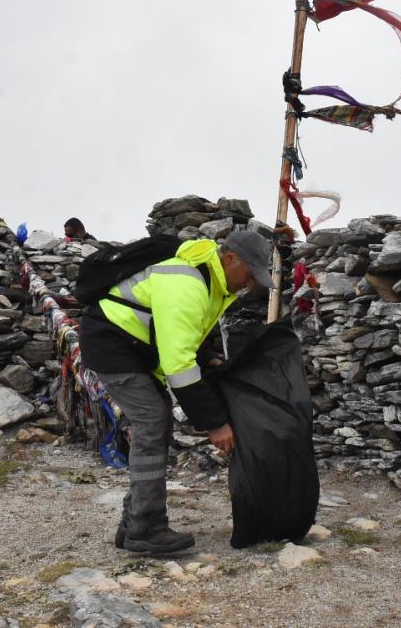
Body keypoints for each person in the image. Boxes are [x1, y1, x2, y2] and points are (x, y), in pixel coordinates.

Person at [77, 229, 275, 554]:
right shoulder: (187, 282)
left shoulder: (211, 280)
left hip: (131, 348)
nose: (250, 284)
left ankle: (133, 523)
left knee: (156, 422)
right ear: (230, 258)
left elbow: (181, 336)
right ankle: (145, 527)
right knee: (152, 421)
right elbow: (179, 368)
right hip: (111, 345)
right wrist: (215, 423)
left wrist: (207, 358)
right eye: (251, 274)